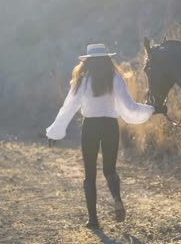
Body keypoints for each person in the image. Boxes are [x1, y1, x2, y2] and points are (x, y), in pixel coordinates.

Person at [46, 43, 155, 229]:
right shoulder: (115, 79)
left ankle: (93, 220)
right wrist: (152, 109)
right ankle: (117, 198)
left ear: (88, 62)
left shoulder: (82, 80)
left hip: (90, 127)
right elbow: (129, 107)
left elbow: (68, 107)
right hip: (110, 126)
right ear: (106, 59)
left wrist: (55, 131)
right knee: (109, 170)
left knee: (90, 174)